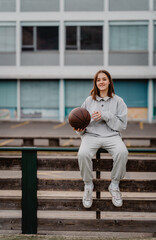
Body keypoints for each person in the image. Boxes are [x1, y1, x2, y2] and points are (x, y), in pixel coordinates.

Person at [74, 69, 128, 208]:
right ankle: (88, 185)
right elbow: (82, 123)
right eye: (98, 80)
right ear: (95, 83)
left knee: (122, 152)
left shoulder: (118, 101)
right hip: (91, 136)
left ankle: (114, 185)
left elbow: (122, 126)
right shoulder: (88, 100)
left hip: (112, 135)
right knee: (83, 154)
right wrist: (80, 130)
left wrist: (106, 115)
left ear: (109, 81)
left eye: (104, 79)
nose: (101, 82)